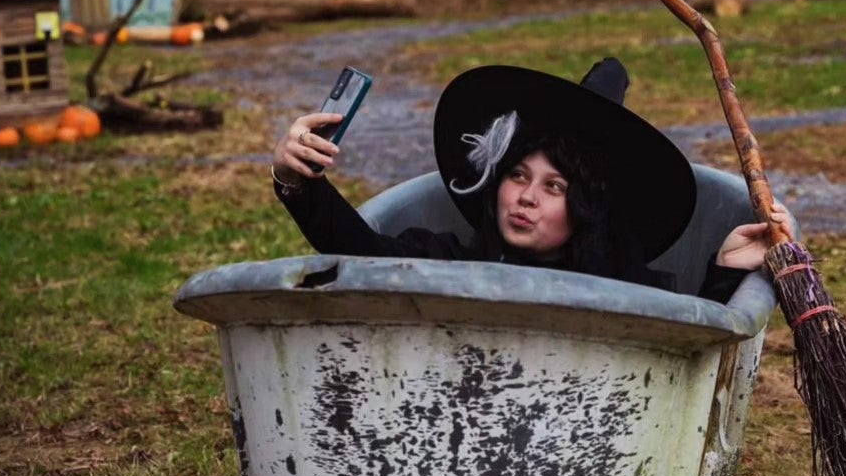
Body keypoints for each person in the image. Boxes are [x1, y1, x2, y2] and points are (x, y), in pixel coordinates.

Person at [271, 58, 786, 302]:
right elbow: (359, 251)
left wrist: (724, 269)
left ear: (585, 208)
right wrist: (298, 180)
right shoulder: (453, 263)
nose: (526, 198)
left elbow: (690, 347)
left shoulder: (623, 290)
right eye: (518, 175)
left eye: (555, 187)